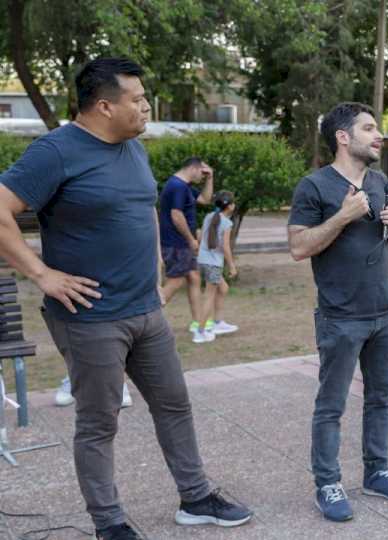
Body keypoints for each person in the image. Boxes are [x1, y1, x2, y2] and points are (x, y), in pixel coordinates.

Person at [0, 57, 252, 540]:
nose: (145, 107)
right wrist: (41, 274)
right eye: (136, 100)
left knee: (174, 404)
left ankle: (196, 498)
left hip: (147, 310)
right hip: (90, 317)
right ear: (103, 106)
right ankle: (108, 522)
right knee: (99, 423)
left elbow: (140, 216)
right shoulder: (55, 152)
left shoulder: (133, 149)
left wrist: (156, 276)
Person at [288, 102, 388, 522]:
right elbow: (298, 247)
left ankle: (377, 472)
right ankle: (327, 482)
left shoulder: (379, 181)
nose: (378, 134)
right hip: (341, 316)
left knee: (381, 399)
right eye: (368, 128)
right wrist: (343, 216)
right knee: (331, 405)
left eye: (376, 128)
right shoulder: (315, 187)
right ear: (343, 137)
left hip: (384, 312)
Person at [159, 156, 214, 343]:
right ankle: (146, 319)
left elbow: (206, 200)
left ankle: (198, 327)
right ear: (193, 168)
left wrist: (210, 178)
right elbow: (176, 215)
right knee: (175, 282)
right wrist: (191, 239)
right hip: (176, 243)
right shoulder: (177, 186)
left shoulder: (186, 187)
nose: (202, 176)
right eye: (202, 172)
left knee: (194, 278)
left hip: (180, 243)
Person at [195, 191, 240, 343]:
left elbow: (200, 236)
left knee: (223, 288)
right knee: (209, 295)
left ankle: (218, 323)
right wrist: (232, 266)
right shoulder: (227, 223)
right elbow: (226, 247)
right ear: (230, 206)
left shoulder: (209, 217)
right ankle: (200, 332)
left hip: (203, 260)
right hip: (213, 263)